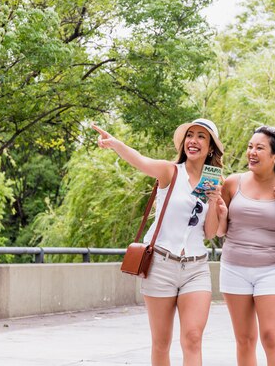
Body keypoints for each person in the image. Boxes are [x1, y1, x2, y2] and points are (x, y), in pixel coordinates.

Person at [92, 118, 227, 366]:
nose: (193, 141)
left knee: (193, 338)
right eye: (190, 135)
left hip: (196, 268)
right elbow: (140, 161)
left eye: (201, 137)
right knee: (161, 343)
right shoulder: (170, 171)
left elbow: (209, 233)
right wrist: (115, 144)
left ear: (210, 148)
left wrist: (213, 202)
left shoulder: (213, 181)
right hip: (161, 266)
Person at [217, 126, 275, 366]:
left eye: (259, 148)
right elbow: (219, 230)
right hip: (233, 268)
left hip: (271, 271)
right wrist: (216, 206)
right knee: (244, 339)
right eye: (250, 147)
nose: (252, 152)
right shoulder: (233, 183)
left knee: (272, 338)